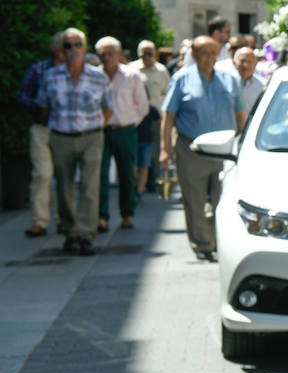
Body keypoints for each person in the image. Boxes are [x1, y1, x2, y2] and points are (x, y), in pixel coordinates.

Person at [161, 36, 245, 262]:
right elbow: (168, 117)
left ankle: (219, 240)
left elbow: (240, 114)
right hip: (192, 149)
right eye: (204, 53)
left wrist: (244, 145)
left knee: (224, 199)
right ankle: (203, 244)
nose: (209, 58)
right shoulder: (181, 79)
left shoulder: (229, 79)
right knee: (194, 201)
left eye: (213, 53)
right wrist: (165, 149)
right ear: (194, 55)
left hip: (225, 150)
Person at [35, 29, 111, 256]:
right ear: (62, 50)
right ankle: (70, 232)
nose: (73, 50)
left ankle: (86, 235)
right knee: (63, 187)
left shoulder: (98, 76)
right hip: (61, 137)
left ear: (85, 48)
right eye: (68, 45)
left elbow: (108, 107)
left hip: (91, 136)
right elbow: (43, 106)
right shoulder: (51, 76)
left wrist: (97, 127)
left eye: (78, 45)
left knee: (89, 187)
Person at [94, 37, 148, 231]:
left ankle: (127, 214)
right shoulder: (94, 75)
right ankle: (102, 216)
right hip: (100, 131)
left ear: (118, 54)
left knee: (126, 174)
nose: (106, 57)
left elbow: (143, 106)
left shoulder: (131, 75)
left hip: (125, 130)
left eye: (110, 53)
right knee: (99, 175)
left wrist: (130, 122)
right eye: (102, 54)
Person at [16, 31, 65, 237]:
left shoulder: (78, 71)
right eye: (63, 45)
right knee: (42, 175)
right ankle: (39, 222)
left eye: (71, 45)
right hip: (42, 128)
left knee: (65, 177)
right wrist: (39, 105)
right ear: (53, 48)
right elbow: (22, 96)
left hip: (66, 130)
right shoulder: (39, 69)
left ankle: (64, 220)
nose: (66, 50)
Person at [134, 39, 171, 197]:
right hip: (135, 117)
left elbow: (167, 92)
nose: (147, 56)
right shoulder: (132, 69)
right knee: (137, 152)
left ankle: (152, 181)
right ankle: (137, 184)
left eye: (150, 53)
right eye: (143, 53)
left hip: (155, 116)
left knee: (154, 150)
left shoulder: (161, 71)